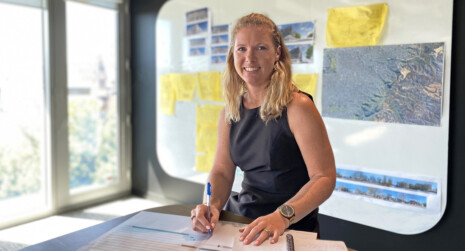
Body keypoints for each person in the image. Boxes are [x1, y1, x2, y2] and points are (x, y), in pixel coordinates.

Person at [190, 13, 336, 246]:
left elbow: (324, 178)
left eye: (260, 47)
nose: (249, 57)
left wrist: (282, 217)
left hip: (289, 227)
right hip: (240, 223)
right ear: (233, 54)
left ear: (277, 53)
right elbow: (222, 172)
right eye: (241, 49)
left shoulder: (298, 107)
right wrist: (212, 206)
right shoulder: (229, 112)